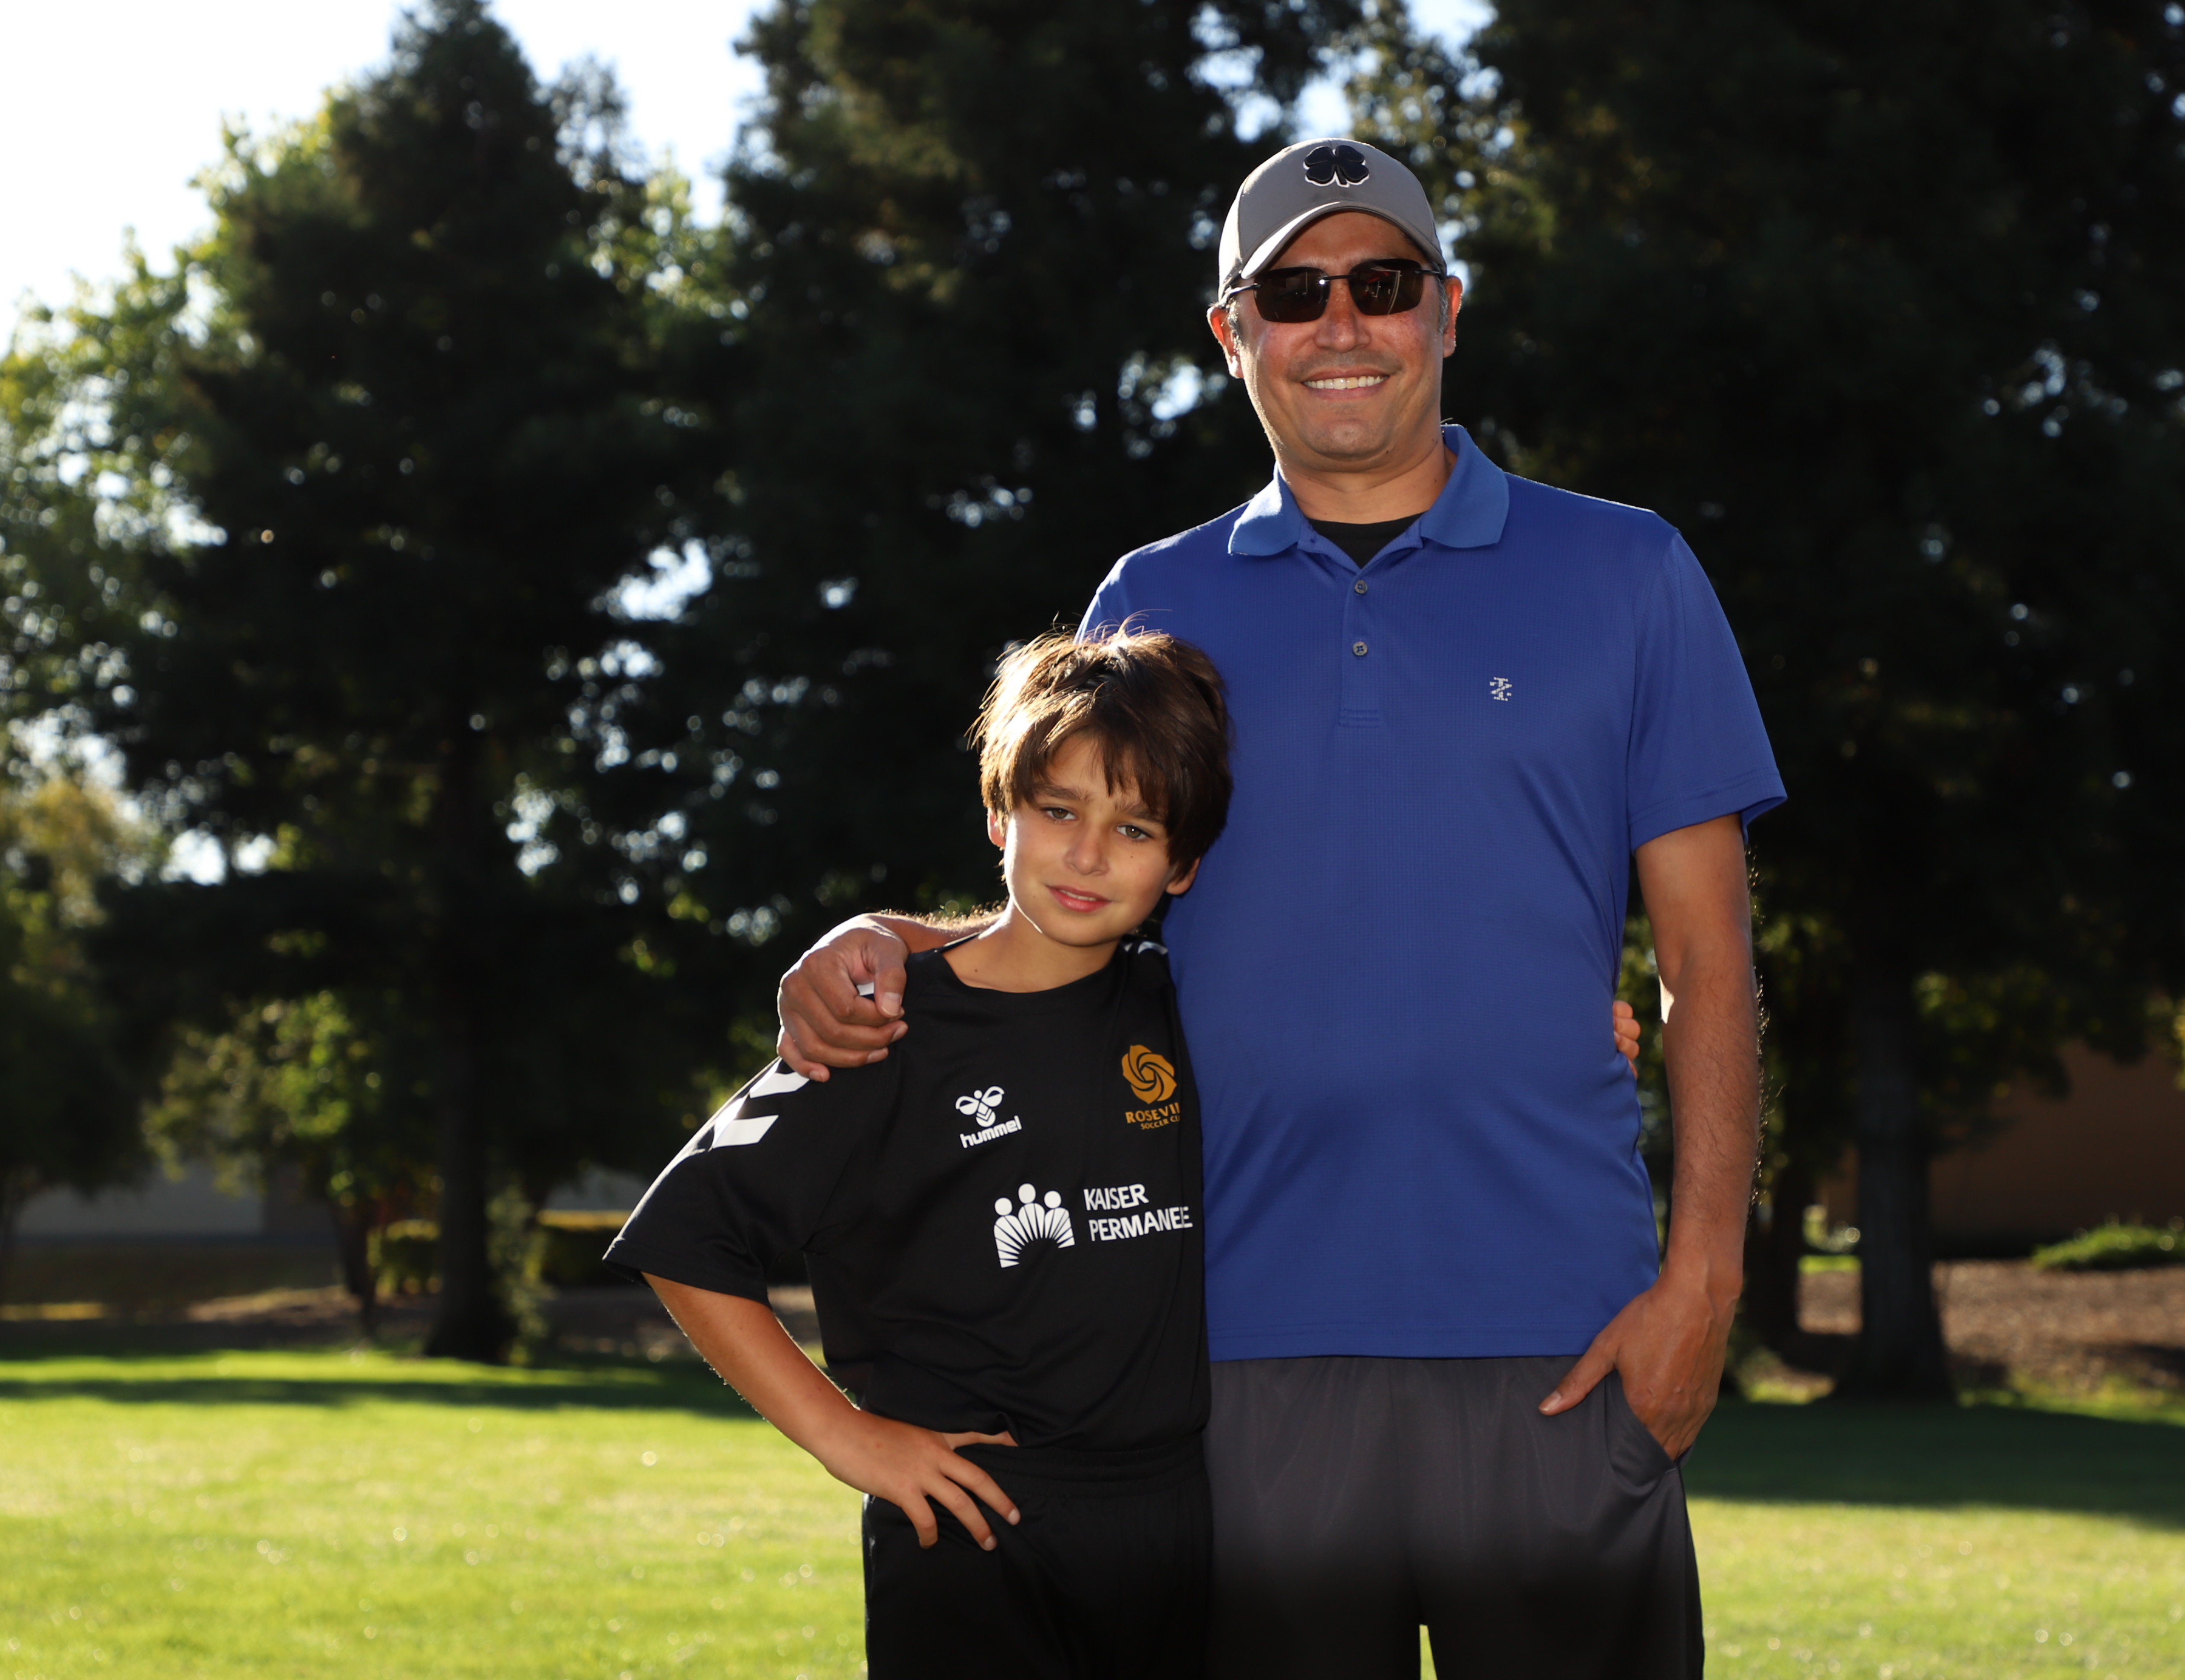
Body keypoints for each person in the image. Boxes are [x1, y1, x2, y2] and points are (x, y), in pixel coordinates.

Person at [779, 137, 1783, 1679]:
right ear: (1231, 332)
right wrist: (883, 942)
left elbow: (1708, 959)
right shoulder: (1148, 602)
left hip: (1566, 1340)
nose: (1342, 324)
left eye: (1381, 283)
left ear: (1446, 308)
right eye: (1295, 293)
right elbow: (1074, 915)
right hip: (1233, 1355)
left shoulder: (1630, 571)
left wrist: (1702, 1282)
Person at [606, 629, 1233, 1680]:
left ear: (1183, 866)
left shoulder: (1182, 1004)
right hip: (972, 1525)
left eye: (1134, 829)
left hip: (1174, 1519)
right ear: (999, 813)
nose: (1088, 855)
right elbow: (686, 1236)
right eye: (1059, 811)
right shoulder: (881, 1022)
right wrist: (848, 1438)